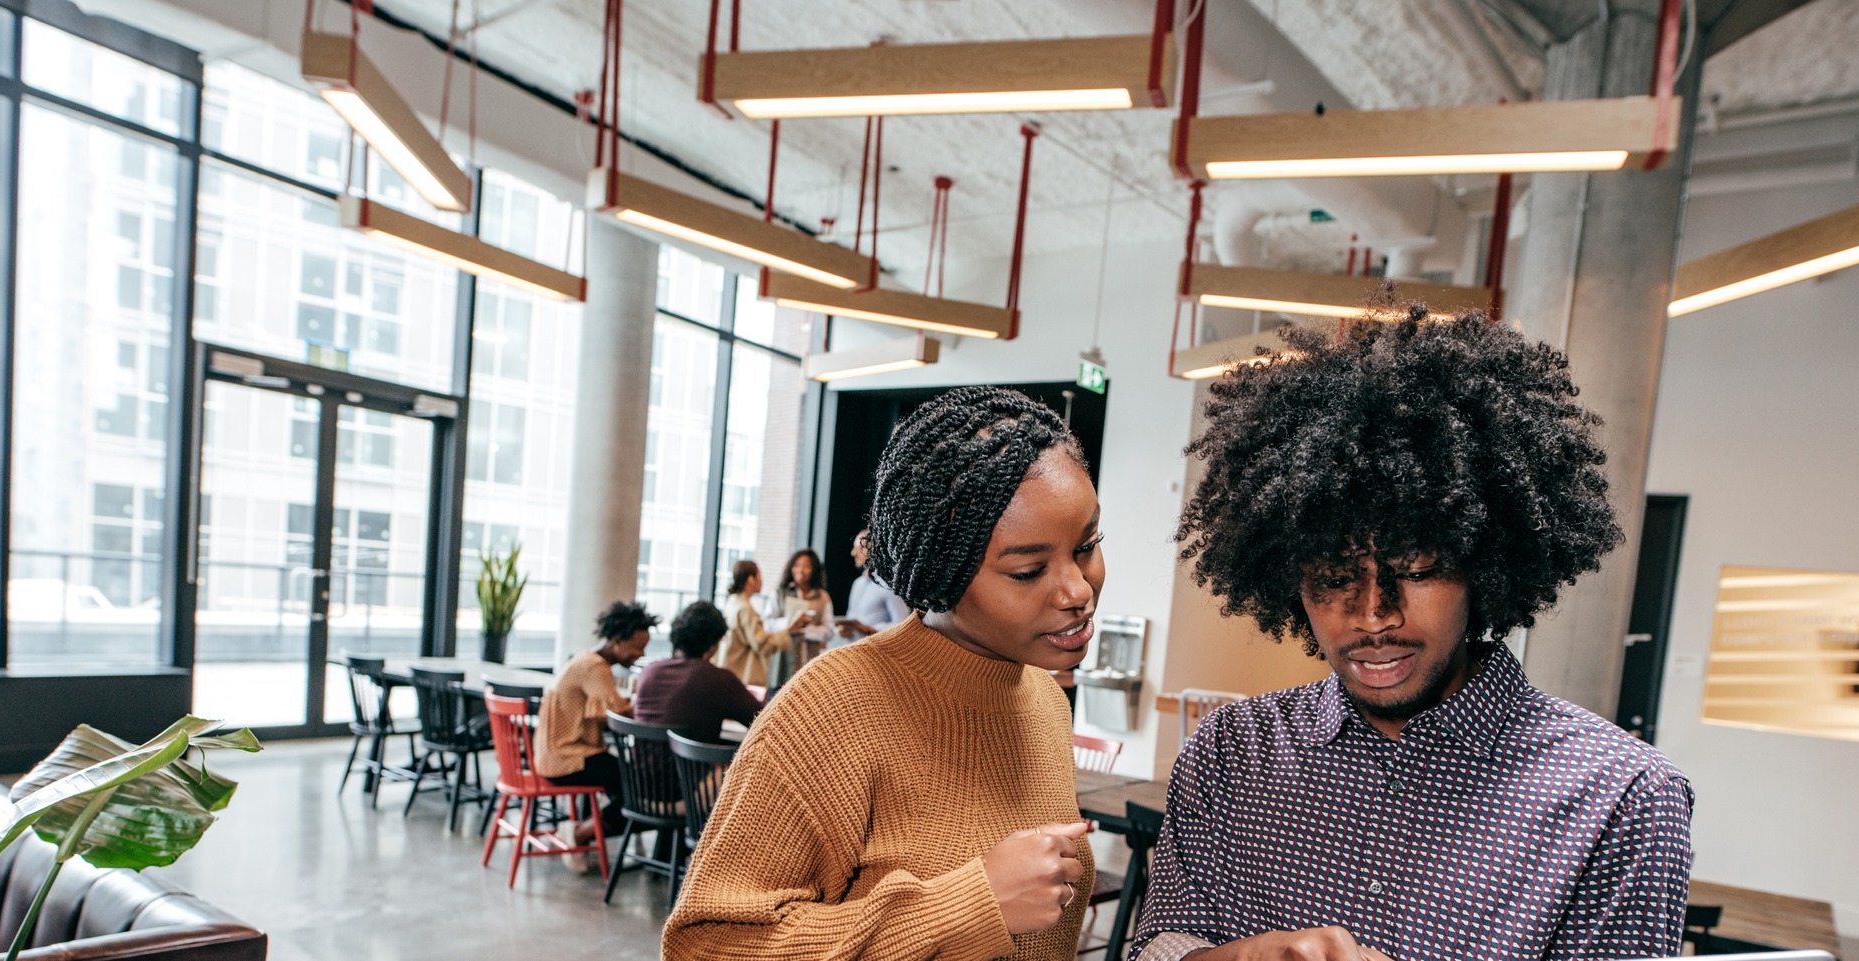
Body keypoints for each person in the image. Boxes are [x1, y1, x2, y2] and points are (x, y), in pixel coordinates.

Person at [1133, 307, 1694, 961]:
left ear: (1483, 565)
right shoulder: (1230, 753)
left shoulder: (1621, 800)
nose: (1373, 613)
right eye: (1334, 574)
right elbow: (1159, 944)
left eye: (1418, 569)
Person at [664, 387, 1100, 960]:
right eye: (1028, 570)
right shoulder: (833, 706)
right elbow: (706, 947)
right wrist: (967, 908)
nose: (1078, 590)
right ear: (941, 569)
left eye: (1088, 545)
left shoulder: (1042, 700)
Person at [538, 599, 656, 851]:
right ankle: (580, 833)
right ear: (616, 640)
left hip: (553, 755)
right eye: (638, 647)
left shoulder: (585, 659)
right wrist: (649, 705)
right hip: (566, 759)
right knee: (638, 787)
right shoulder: (595, 667)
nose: (642, 654)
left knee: (628, 782)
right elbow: (617, 716)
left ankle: (589, 830)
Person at [632, 600, 763, 742]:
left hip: (638, 763)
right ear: (714, 643)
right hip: (692, 763)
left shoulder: (648, 672)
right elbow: (763, 721)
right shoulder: (718, 680)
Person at [716, 559, 797, 688]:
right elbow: (762, 644)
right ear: (750, 579)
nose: (761, 581)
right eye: (759, 576)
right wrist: (788, 631)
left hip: (729, 670)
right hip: (740, 677)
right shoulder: (745, 608)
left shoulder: (733, 601)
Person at [767, 548, 834, 681]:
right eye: (797, 565)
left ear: (814, 570)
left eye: (806, 566)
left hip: (809, 663)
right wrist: (791, 623)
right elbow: (767, 624)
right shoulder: (779, 593)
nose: (800, 570)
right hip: (781, 663)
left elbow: (829, 632)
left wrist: (806, 629)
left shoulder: (823, 597)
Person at [837, 528, 911, 640]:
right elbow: (851, 617)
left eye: (859, 547)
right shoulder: (857, 584)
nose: (853, 553)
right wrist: (845, 631)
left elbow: (903, 624)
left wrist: (869, 629)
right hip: (853, 650)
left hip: (876, 652)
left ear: (872, 548)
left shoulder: (888, 584)